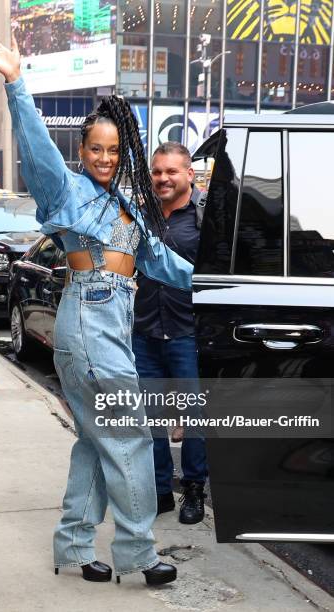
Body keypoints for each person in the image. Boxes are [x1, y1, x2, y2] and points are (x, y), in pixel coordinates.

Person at [0, 33, 193, 586]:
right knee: (132, 438)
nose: (104, 158)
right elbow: (38, 147)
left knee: (97, 442)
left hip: (108, 328)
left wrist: (220, 284)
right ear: (82, 151)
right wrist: (18, 85)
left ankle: (73, 547)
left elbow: (163, 264)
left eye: (115, 150)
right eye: (95, 148)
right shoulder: (64, 190)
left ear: (128, 155)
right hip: (89, 323)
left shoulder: (130, 205)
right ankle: (139, 554)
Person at [133, 142, 208, 524]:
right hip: (144, 331)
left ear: (189, 174)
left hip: (188, 334)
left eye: (171, 171)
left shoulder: (206, 218)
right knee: (151, 417)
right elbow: (115, 257)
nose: (162, 178)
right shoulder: (138, 216)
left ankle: (193, 489)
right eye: (157, 171)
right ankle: (161, 491)